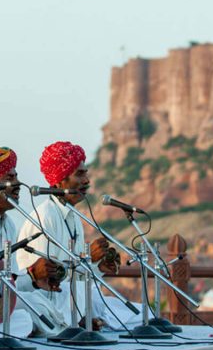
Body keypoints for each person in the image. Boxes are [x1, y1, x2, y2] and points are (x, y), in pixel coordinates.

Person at [14, 141, 136, 333]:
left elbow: (76, 277)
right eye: (80, 174)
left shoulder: (73, 217)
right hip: (49, 305)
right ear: (60, 181)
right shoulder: (45, 217)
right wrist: (88, 259)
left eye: (86, 173)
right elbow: (49, 281)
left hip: (72, 301)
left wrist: (97, 268)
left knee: (139, 314)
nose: (87, 180)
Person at [0, 146, 65, 336]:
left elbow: (10, 282)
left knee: (46, 298)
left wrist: (35, 278)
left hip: (1, 299)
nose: (18, 184)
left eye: (16, 177)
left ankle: (67, 329)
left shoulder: (8, 223)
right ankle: (65, 332)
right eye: (10, 178)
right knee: (32, 307)